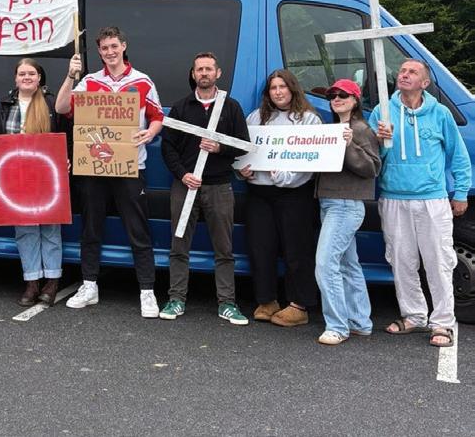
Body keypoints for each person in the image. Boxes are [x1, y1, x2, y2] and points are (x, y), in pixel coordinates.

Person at [54, 27, 165, 318]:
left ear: (123, 46)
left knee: (138, 231)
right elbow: (62, 107)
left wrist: (150, 133)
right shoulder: (90, 81)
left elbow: (157, 117)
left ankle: (147, 291)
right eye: (104, 48)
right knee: (91, 229)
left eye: (114, 46)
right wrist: (70, 75)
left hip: (130, 167)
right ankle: (89, 285)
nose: (110, 52)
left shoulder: (142, 81)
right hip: (94, 169)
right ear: (100, 52)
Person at [373, 59, 471, 348]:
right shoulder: (382, 111)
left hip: (432, 199)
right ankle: (414, 315)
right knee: (401, 261)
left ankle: (442, 321)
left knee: (438, 261)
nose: (404, 74)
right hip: (393, 197)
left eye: (412, 72)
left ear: (425, 83)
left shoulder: (440, 113)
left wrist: (461, 192)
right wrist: (380, 142)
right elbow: (372, 158)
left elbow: (458, 155)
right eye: (402, 71)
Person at [160, 52, 251, 325]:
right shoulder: (181, 107)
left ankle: (227, 303)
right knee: (179, 246)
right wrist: (183, 174)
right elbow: (168, 147)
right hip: (185, 186)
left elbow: (243, 145)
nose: (204, 73)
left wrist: (220, 147)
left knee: (224, 249)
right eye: (199, 69)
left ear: (217, 73)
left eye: (209, 69)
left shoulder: (230, 107)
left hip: (219, 186)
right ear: (193, 74)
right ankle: (176, 299)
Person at [237, 69, 321, 326]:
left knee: (297, 250)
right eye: (273, 88)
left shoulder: (308, 119)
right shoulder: (255, 117)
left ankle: (299, 305)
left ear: (292, 89)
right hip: (260, 193)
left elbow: (312, 159)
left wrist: (286, 177)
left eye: (282, 86)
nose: (278, 92)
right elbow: (241, 150)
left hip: (295, 194)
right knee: (261, 247)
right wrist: (241, 170)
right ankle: (267, 300)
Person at [0, 57, 70, 306]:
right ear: (16, 78)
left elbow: (67, 134)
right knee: (25, 229)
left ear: (39, 78)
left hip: (47, 173)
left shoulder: (51, 103)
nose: (27, 77)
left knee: (50, 227)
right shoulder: (4, 105)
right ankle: (32, 281)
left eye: (31, 74)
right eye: (22, 74)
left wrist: (67, 158)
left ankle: (52, 281)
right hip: (16, 175)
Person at [313, 79, 380, 345]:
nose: (337, 99)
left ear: (355, 100)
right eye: (332, 96)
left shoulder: (360, 129)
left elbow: (373, 168)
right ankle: (360, 322)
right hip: (331, 202)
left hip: (345, 204)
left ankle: (337, 326)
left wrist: (350, 145)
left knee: (325, 264)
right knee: (348, 265)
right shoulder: (332, 129)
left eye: (343, 95)